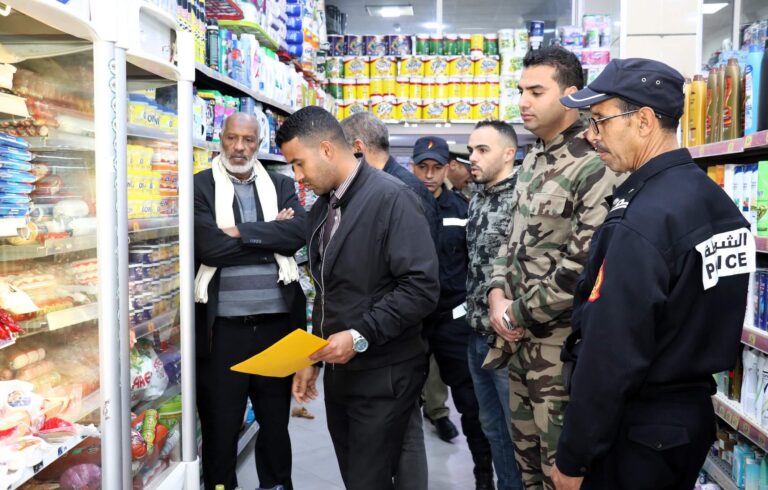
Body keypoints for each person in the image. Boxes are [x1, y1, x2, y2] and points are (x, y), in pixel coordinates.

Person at [550, 58, 753, 490]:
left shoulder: (642, 219)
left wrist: (573, 458)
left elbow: (611, 353)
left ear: (643, 121)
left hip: (636, 432)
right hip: (687, 422)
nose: (590, 134)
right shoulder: (714, 202)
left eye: (599, 120)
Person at [485, 46, 622, 490]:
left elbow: (583, 267)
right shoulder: (533, 159)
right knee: (526, 466)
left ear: (570, 95)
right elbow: (509, 239)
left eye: (536, 91)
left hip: (560, 351)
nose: (523, 101)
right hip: (518, 346)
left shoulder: (594, 161)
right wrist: (497, 294)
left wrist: (514, 313)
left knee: (561, 473)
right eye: (520, 90)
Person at [282, 107, 439, 490]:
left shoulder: (392, 199)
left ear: (326, 149)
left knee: (370, 478)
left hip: (384, 373)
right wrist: (314, 357)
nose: (297, 176)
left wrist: (358, 336)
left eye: (299, 163)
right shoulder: (324, 207)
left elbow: (420, 288)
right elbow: (328, 290)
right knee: (355, 475)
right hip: (342, 372)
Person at [194, 113, 307, 490]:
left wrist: (237, 233)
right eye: (232, 138)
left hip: (276, 328)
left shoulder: (281, 183)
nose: (239, 147)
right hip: (223, 332)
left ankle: (275, 485)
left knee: (275, 424)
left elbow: (296, 234)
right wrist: (269, 234)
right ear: (220, 138)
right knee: (221, 425)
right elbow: (208, 247)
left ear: (259, 143)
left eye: (248, 140)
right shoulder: (201, 185)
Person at [340, 112, 453, 489]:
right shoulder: (386, 186)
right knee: (400, 431)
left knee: (405, 432)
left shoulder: (400, 191)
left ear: (357, 148)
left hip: (400, 337)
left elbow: (420, 279)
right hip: (388, 332)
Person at [410, 135, 495, 490]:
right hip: (411, 322)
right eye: (422, 167)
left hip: (453, 321)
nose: (429, 175)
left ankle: (483, 475)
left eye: (436, 168)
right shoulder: (399, 205)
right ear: (413, 168)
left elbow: (476, 262)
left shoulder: (463, 210)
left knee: (471, 404)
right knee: (400, 402)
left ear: (448, 168)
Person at [465, 120, 524, 490]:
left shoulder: (524, 197)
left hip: (509, 340)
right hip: (476, 334)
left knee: (519, 432)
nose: (472, 157)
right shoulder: (477, 198)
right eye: (471, 149)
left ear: (508, 154)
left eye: (482, 150)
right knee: (492, 427)